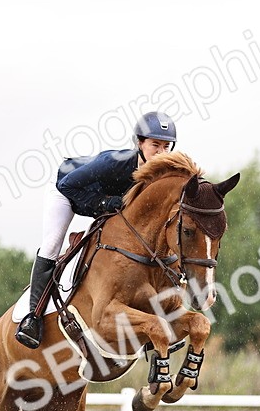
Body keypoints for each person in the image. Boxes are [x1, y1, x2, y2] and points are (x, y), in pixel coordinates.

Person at [14, 111, 178, 349]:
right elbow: (67, 186)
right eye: (155, 145)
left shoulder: (157, 176)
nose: (161, 153)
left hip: (101, 202)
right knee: (52, 244)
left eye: (166, 146)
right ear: (139, 143)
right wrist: (102, 203)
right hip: (67, 192)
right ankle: (33, 317)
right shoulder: (115, 162)